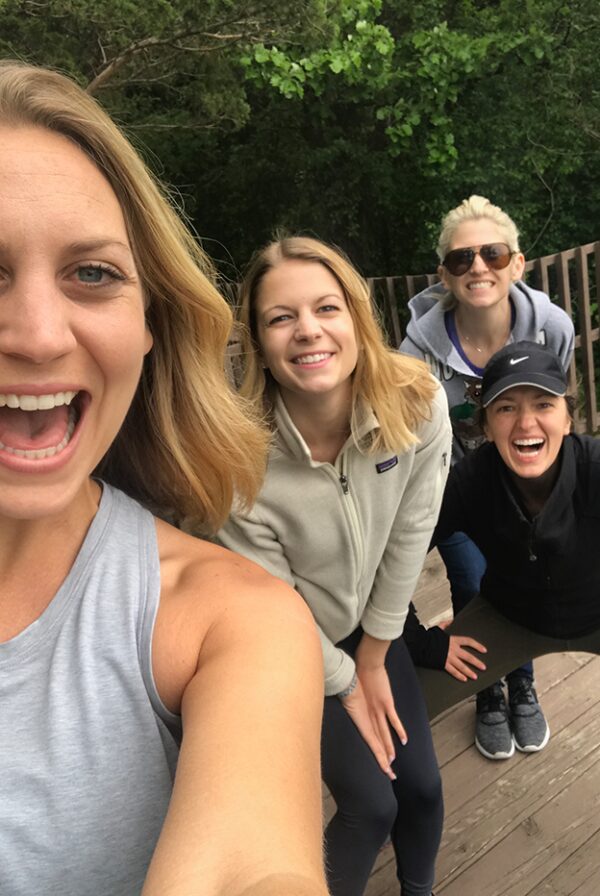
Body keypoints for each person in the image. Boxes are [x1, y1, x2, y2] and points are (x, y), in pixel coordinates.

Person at [0, 61, 329, 896]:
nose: (39, 335)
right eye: (282, 317)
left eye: (94, 273)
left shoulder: (225, 621)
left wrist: (378, 650)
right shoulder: (258, 437)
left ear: (152, 325)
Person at [218, 235, 452, 896]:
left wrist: (375, 653)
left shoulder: (417, 403)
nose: (307, 331)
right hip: (286, 643)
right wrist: (347, 680)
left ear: (357, 316)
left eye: (326, 308)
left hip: (373, 629)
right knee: (368, 807)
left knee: (424, 790)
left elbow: (412, 533)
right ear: (259, 341)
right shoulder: (240, 460)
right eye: (280, 317)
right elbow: (271, 601)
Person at [400, 195, 574, 760]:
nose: (478, 267)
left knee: (524, 576)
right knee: (473, 583)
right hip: (452, 490)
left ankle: (519, 680)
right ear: (445, 274)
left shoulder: (552, 326)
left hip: (527, 484)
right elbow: (411, 436)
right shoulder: (417, 352)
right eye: (461, 258)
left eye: (493, 254)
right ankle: (488, 692)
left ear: (516, 264)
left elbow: (556, 398)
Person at [416, 341, 600, 729]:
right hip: (507, 616)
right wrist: (422, 642)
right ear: (485, 426)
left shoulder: (594, 467)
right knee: (405, 704)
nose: (526, 423)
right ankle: (495, 695)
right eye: (506, 408)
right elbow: (394, 560)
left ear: (568, 418)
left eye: (543, 404)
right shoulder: (469, 482)